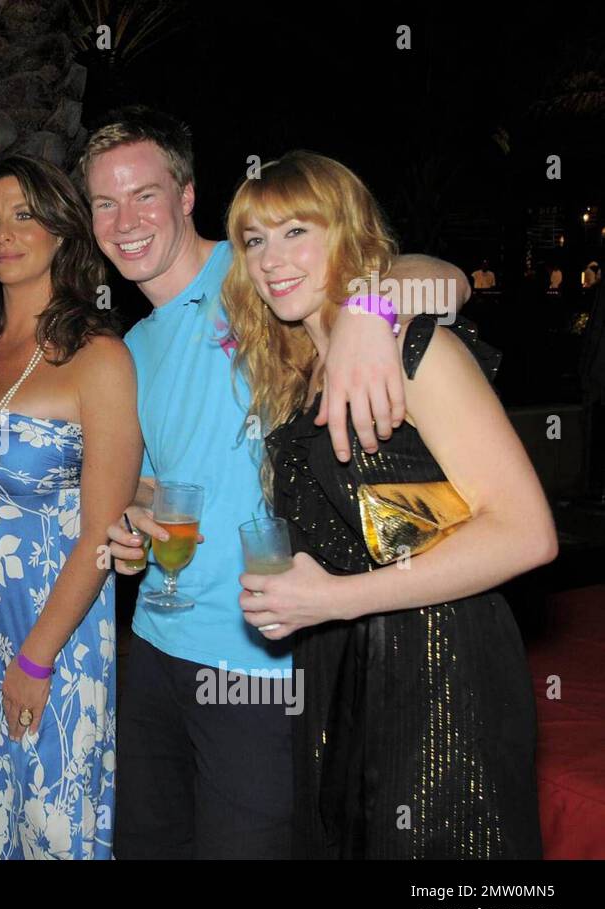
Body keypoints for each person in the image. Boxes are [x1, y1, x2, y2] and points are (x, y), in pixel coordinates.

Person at [85, 106, 472, 858]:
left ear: (187, 194)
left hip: (259, 661)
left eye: (145, 194)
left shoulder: (258, 269)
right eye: (105, 201)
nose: (125, 219)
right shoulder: (131, 344)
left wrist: (368, 306)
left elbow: (446, 281)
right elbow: (160, 483)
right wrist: (132, 522)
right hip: (154, 649)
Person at [226, 151, 554, 858]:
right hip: (338, 672)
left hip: (442, 671)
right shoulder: (299, 377)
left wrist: (339, 597)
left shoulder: (409, 344)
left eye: (296, 231)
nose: (272, 258)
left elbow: (528, 533)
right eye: (255, 239)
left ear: (344, 232)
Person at [0, 153, 141, 859]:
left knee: (53, 825)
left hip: (52, 632)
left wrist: (38, 658)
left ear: (60, 230)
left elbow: (102, 535)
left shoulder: (98, 356)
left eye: (23, 214)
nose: (3, 233)